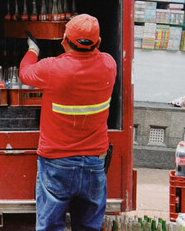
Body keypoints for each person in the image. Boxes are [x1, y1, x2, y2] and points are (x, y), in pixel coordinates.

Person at [19, 14, 116, 231]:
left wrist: (33, 50)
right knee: (89, 227)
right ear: (99, 42)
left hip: (57, 161)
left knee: (51, 226)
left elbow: (24, 73)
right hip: (94, 163)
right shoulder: (109, 65)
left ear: (64, 41)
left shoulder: (52, 69)